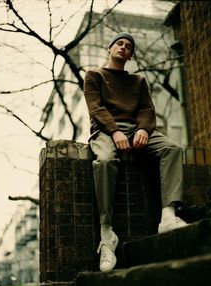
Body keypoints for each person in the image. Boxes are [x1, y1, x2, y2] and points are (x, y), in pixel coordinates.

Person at [83, 32, 188, 272]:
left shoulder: (138, 81)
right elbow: (95, 109)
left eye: (128, 47)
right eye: (119, 43)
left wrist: (143, 129)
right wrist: (115, 131)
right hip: (106, 131)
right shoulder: (94, 75)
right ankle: (107, 232)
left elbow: (147, 110)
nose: (123, 47)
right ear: (109, 48)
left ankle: (168, 216)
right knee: (106, 161)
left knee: (172, 149)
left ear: (130, 55)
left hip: (137, 131)